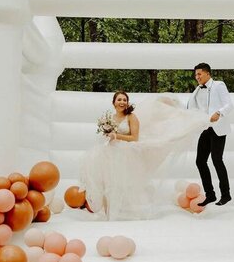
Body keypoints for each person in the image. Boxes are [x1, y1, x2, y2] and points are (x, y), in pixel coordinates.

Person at [80, 90, 208, 220]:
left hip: (124, 154)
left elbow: (134, 138)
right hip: (109, 153)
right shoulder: (110, 118)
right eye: (119, 99)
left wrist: (116, 136)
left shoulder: (131, 117)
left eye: (124, 100)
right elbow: (106, 136)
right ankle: (109, 214)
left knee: (120, 184)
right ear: (114, 103)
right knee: (108, 183)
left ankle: (119, 213)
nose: (122, 102)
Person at [187, 63, 234, 206]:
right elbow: (191, 108)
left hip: (218, 128)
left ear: (207, 73)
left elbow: (229, 105)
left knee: (216, 159)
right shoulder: (197, 90)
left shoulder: (219, 85)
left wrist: (219, 113)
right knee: (200, 161)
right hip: (206, 128)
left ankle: (226, 195)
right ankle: (210, 194)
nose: (197, 77)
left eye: (199, 74)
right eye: (195, 75)